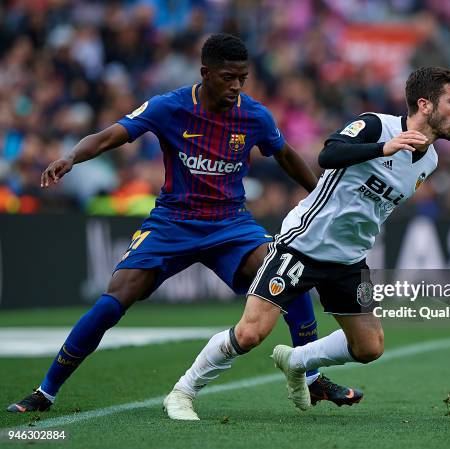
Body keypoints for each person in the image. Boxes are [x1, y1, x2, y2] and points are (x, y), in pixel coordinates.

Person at [7, 33, 361, 419]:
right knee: (114, 300)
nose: (236, 86)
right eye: (228, 77)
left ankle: (310, 376)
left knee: (288, 277)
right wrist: (72, 156)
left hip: (230, 224)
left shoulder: (254, 115)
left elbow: (287, 156)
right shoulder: (170, 107)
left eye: (243, 77)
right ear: (205, 73)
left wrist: (321, 198)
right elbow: (114, 133)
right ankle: (46, 390)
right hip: (173, 222)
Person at [164, 66, 450, 413]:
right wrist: (383, 148)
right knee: (250, 334)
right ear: (425, 105)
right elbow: (328, 154)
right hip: (303, 245)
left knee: (369, 346)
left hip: (350, 260)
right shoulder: (375, 126)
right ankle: (182, 392)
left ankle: (297, 361)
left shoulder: (430, 159)